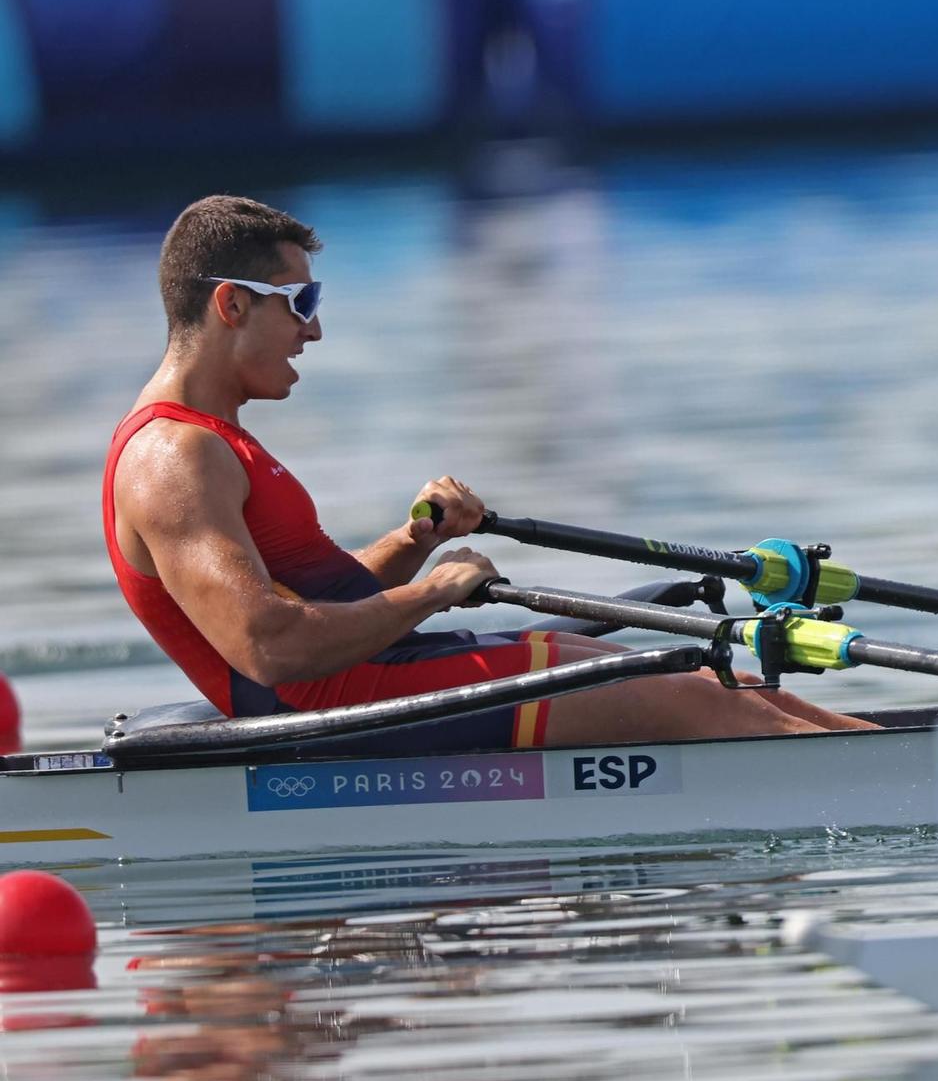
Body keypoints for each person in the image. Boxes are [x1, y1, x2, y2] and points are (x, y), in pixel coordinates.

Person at [105, 195, 871, 752]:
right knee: (719, 711)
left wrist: (412, 544)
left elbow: (317, 601)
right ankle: (930, 798)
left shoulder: (214, 442)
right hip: (337, 704)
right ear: (232, 304)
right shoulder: (172, 458)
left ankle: (913, 763)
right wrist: (431, 591)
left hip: (376, 672)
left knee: (722, 684)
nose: (314, 328)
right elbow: (269, 646)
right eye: (299, 301)